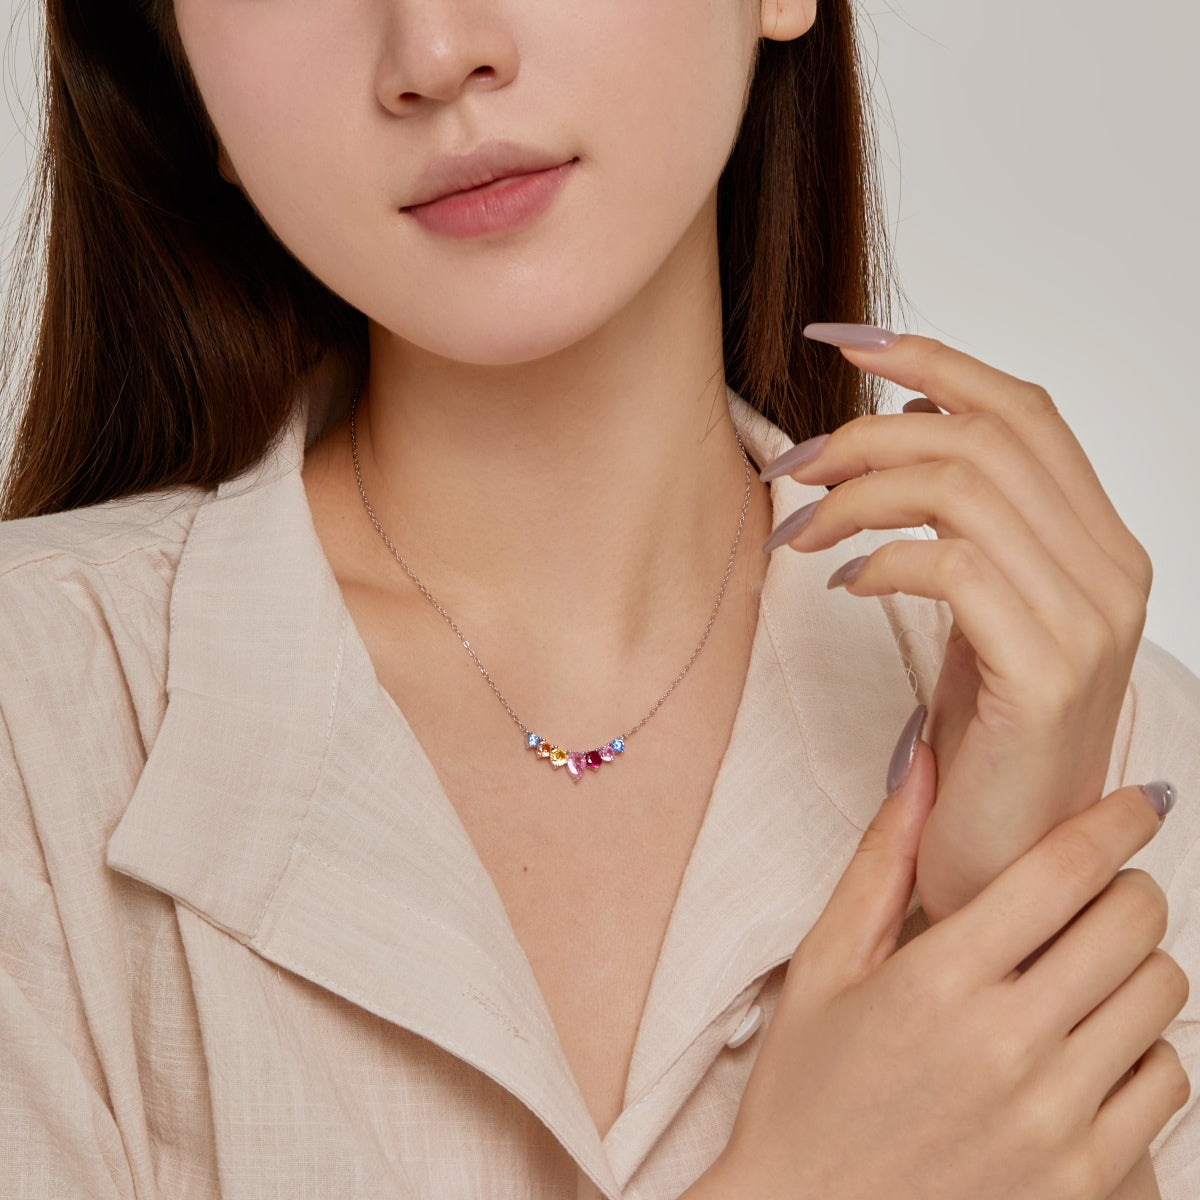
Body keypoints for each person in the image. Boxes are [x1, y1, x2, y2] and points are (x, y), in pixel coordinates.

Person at [0, 0, 1196, 1197]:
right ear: (182, 70)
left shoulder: (1099, 738)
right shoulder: (34, 723)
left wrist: (1005, 932)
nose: (437, 53)